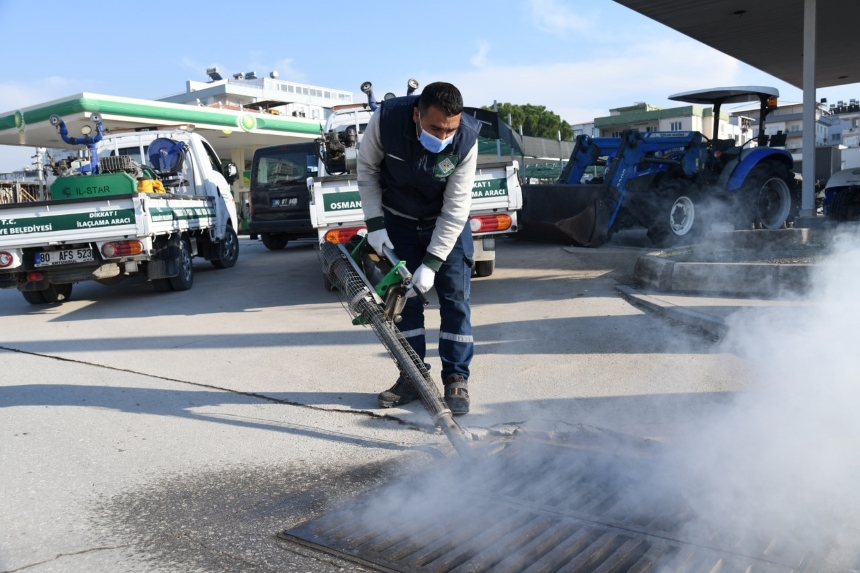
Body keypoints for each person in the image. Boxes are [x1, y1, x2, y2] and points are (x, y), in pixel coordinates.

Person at [356, 81, 480, 416]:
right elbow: (366, 171)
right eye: (435, 128)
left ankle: (456, 377)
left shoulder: (467, 139)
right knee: (404, 304)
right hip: (399, 221)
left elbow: (456, 209)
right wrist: (376, 225)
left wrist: (432, 262)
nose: (442, 138)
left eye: (449, 130)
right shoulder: (385, 121)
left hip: (446, 224)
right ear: (416, 114)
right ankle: (412, 377)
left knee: (455, 299)